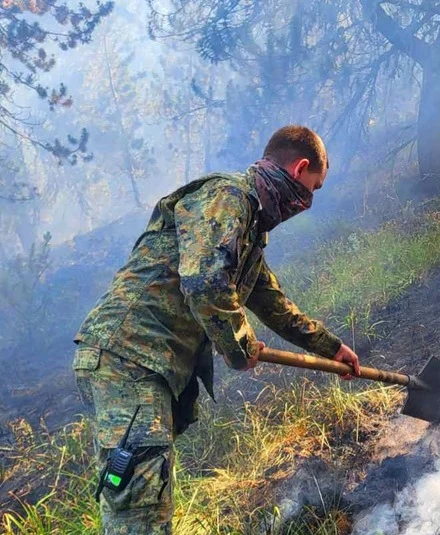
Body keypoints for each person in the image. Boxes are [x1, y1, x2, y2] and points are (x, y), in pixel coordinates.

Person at [72, 125, 361, 534]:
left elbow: (271, 303)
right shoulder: (227, 197)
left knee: (147, 495)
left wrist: (331, 348)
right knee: (138, 506)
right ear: (299, 169)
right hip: (128, 357)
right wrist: (240, 346)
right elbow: (205, 284)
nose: (307, 202)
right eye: (313, 188)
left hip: (145, 363)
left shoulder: (247, 231)